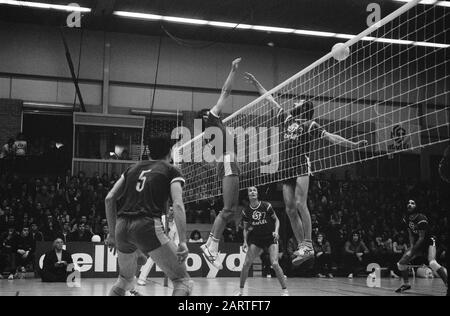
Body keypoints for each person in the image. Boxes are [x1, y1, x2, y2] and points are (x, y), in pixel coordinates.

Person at [244, 72, 368, 266]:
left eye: (298, 102)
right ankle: (303, 246)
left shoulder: (310, 125)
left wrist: (352, 145)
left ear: (304, 108)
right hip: (286, 168)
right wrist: (257, 83)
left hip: (302, 164)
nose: (293, 103)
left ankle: (309, 244)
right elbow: (269, 99)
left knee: (301, 204)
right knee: (290, 210)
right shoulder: (286, 119)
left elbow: (331, 137)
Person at [105, 135, 193, 296]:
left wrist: (112, 235)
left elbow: (109, 199)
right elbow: (178, 204)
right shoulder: (170, 170)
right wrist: (183, 241)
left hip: (121, 227)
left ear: (150, 152)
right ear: (170, 151)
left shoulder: (132, 168)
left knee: (124, 280)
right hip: (146, 225)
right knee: (183, 281)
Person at [199, 58, 242, 270]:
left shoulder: (216, 126)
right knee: (227, 210)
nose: (216, 109)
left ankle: (210, 245)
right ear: (207, 115)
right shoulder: (212, 119)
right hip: (227, 161)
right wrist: (232, 70)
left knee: (231, 210)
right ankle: (211, 247)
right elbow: (225, 91)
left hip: (227, 162)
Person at [237, 186, 288, 296]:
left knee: (274, 263)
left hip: (270, 238)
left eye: (254, 190)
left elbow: (277, 220)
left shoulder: (266, 206)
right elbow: (245, 229)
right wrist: (245, 242)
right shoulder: (246, 211)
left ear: (257, 194)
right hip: (257, 239)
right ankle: (241, 291)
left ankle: (284, 290)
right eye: (250, 191)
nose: (252, 192)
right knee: (246, 264)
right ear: (248, 195)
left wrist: (276, 231)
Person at [395, 200, 448, 293]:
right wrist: (411, 247)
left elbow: (422, 238)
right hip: (418, 243)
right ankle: (406, 284)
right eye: (408, 203)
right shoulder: (406, 218)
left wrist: (413, 250)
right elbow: (410, 234)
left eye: (413, 203)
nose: (410, 204)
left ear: (417, 206)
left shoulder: (421, 218)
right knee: (401, 264)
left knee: (432, 263)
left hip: (429, 241)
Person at [137, 207, 179, 286]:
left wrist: (175, 248)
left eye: (174, 210)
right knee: (152, 259)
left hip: (169, 245)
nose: (172, 212)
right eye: (170, 210)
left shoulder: (176, 223)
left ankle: (179, 280)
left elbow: (177, 238)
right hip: (157, 243)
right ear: (167, 211)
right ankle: (141, 279)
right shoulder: (161, 218)